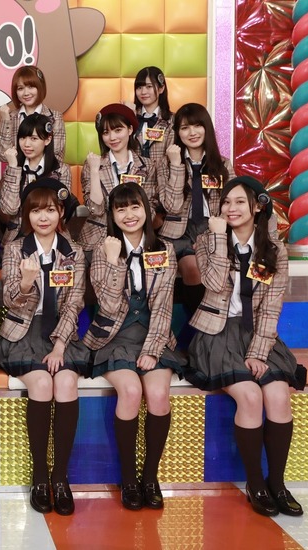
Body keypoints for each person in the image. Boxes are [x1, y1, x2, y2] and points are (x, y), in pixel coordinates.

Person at [184, 176, 306, 517]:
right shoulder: (207, 240)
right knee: (250, 396)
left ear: (257, 206)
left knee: (278, 396)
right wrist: (219, 239)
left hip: (257, 334)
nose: (231, 208)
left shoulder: (274, 250)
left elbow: (271, 307)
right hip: (217, 332)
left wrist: (258, 352)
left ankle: (277, 483)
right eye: (226, 202)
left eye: (239, 202)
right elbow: (212, 283)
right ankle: (255, 484)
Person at [82, 182, 184, 511]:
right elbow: (108, 306)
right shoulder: (103, 249)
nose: (129, 214)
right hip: (114, 337)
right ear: (112, 215)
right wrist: (114, 263)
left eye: (135, 206)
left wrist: (152, 350)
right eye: (121, 208)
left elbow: (164, 306)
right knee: (129, 391)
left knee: (158, 393)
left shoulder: (164, 249)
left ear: (146, 210)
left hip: (154, 335)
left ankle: (150, 478)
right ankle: (128, 479)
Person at [0, 178, 85, 516]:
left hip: (60, 333)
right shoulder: (15, 249)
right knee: (42, 383)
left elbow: (74, 304)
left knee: (66, 382)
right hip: (23, 333)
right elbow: (11, 300)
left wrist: (59, 347)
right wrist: (26, 282)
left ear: (61, 213)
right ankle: (40, 476)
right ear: (27, 215)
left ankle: (61, 477)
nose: (43, 217)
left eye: (50, 210)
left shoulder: (74, 252)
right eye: (36, 211)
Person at [79, 103, 158, 253]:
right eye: (106, 132)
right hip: (98, 239)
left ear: (130, 129)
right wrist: (95, 171)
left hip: (137, 237)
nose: (112, 137)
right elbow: (96, 210)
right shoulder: (92, 164)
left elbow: (150, 206)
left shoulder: (147, 166)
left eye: (118, 130)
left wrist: (131, 227)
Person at [0, 113, 72, 245]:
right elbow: (9, 209)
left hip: (53, 235)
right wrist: (13, 167)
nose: (26, 144)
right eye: (22, 138)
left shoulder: (62, 170)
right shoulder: (13, 169)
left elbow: (61, 212)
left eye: (33, 138)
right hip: (17, 237)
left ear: (47, 140)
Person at [0, 65, 66, 165]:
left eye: (31, 87)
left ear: (40, 87)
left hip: (44, 174)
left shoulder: (55, 118)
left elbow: (56, 156)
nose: (26, 93)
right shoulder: (10, 118)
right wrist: (6, 121)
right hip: (15, 174)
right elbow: (2, 155)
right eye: (20, 88)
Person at [131, 66, 174, 168]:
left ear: (161, 89)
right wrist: (127, 114)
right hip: (134, 175)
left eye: (149, 86)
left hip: (163, 175)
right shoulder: (130, 117)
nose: (143, 92)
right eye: (139, 87)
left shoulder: (172, 120)